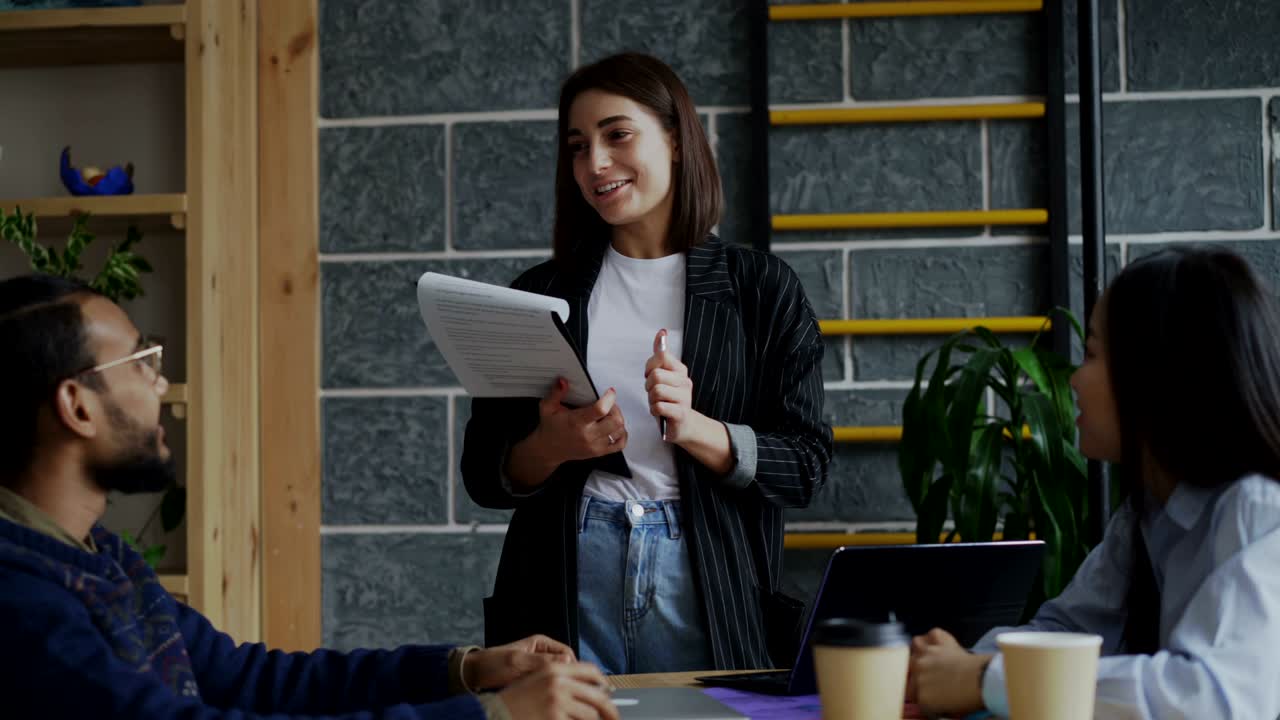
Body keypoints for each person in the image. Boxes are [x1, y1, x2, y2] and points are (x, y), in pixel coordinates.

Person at [0, 274, 620, 720]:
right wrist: (492, 716)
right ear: (76, 405)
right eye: (139, 362)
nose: (159, 384)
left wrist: (466, 670)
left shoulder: (102, 558)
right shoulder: (22, 602)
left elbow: (250, 680)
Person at [461, 52, 834, 675]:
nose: (594, 163)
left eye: (617, 134)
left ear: (676, 139)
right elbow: (483, 474)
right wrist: (551, 445)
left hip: (708, 583)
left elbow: (807, 466)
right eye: (578, 146)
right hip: (565, 580)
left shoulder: (761, 289)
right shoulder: (539, 295)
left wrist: (697, 430)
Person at [908, 246, 1280, 719]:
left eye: (1092, 354)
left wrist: (983, 679)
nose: (1074, 380)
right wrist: (945, 672)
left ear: (1160, 374)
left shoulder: (1259, 511)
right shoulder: (1148, 517)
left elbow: (1210, 698)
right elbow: (1065, 629)